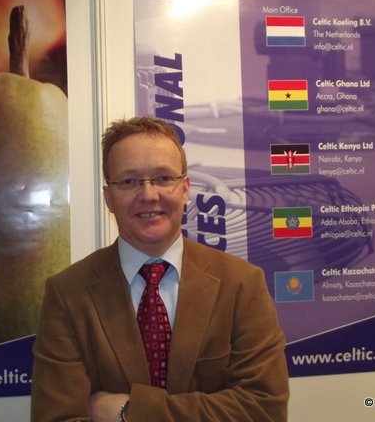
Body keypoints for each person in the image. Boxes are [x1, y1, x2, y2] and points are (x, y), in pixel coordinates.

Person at [31, 116, 289, 421]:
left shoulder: (242, 284)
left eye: (164, 178)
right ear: (109, 198)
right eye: (129, 181)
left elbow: (263, 410)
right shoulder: (68, 294)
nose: (149, 195)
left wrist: (130, 412)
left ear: (185, 189)